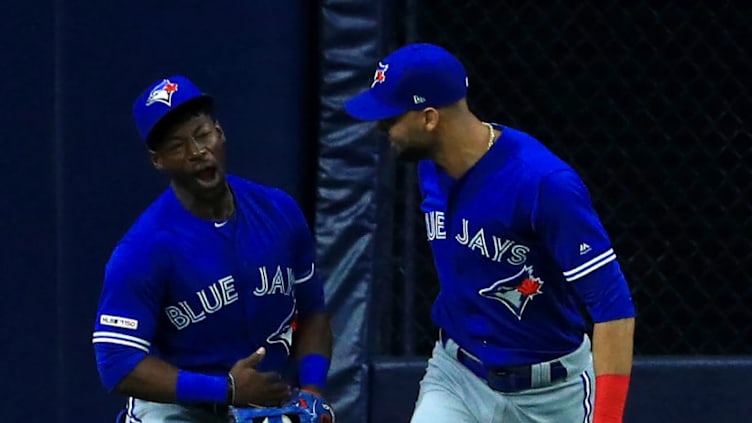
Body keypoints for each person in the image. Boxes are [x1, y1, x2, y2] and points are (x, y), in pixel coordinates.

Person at [344, 43, 635, 423]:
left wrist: (608, 419)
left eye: (390, 119)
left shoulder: (543, 184)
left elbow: (614, 309)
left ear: (430, 119)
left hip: (550, 395)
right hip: (457, 376)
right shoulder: (430, 167)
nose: (382, 129)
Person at [92, 76, 334, 423]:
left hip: (265, 399)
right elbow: (117, 361)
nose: (196, 152)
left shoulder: (279, 211)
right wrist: (226, 389)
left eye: (202, 134)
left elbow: (313, 312)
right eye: (177, 146)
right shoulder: (143, 249)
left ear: (219, 132)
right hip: (181, 407)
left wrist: (312, 389)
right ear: (158, 160)